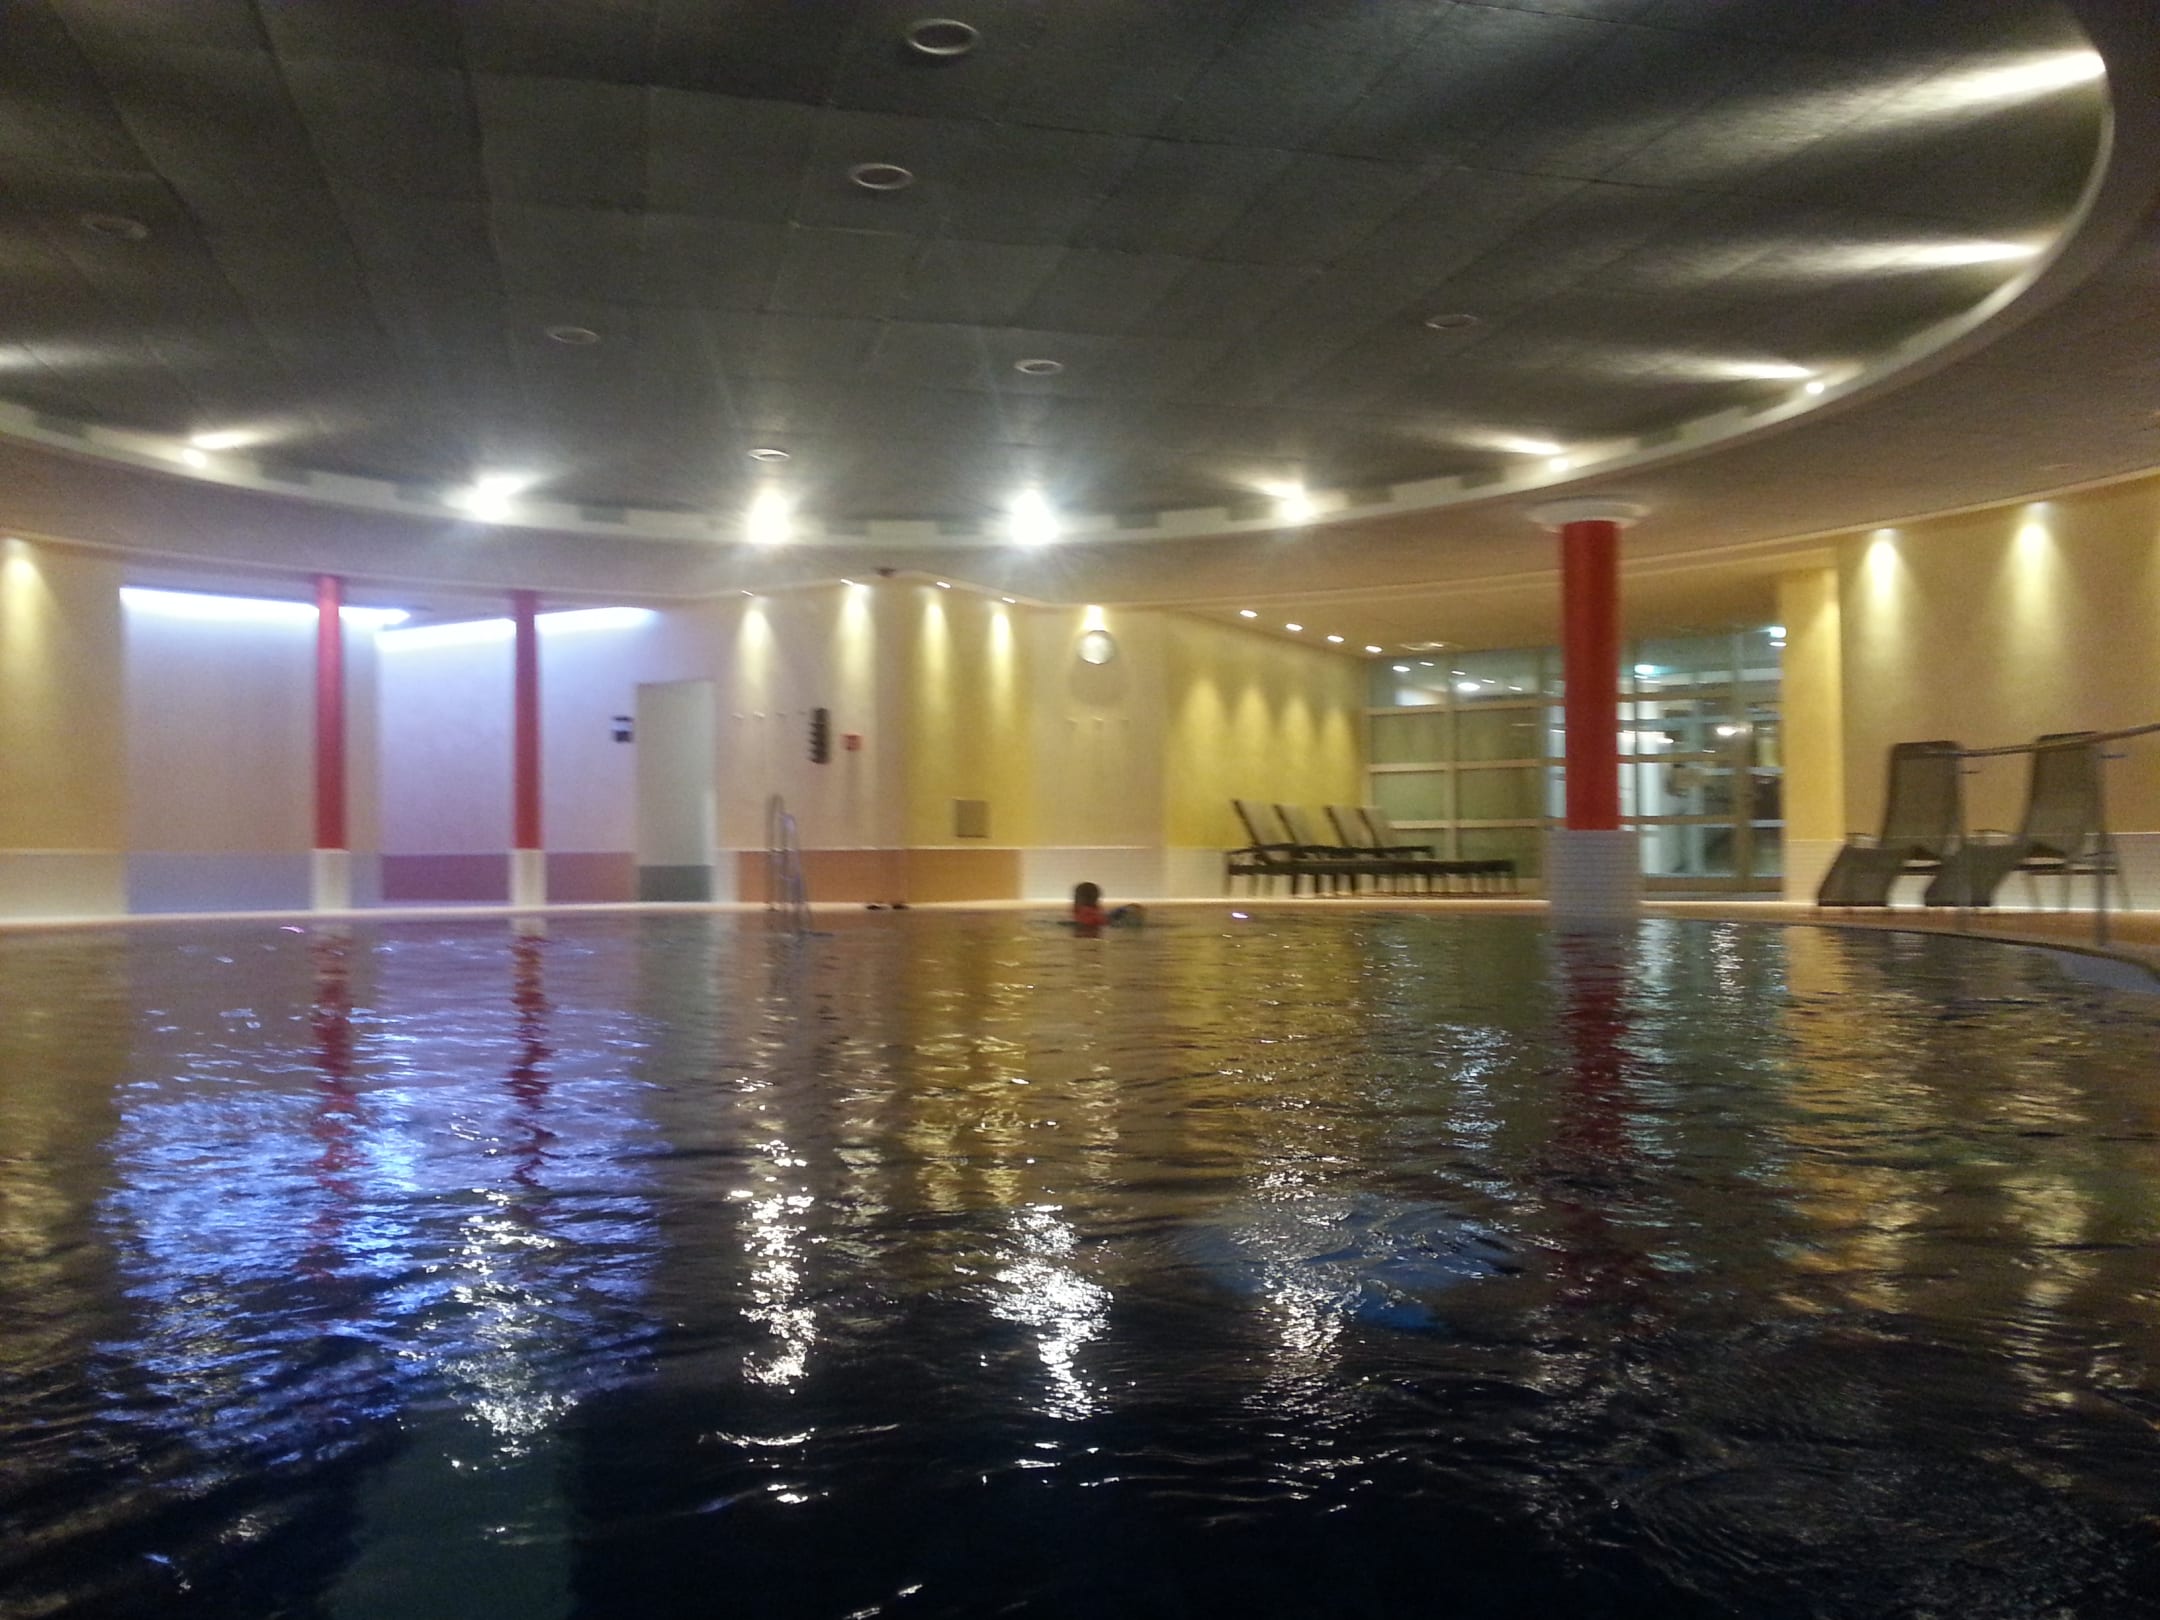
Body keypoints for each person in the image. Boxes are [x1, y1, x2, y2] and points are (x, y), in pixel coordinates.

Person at [1069, 881, 1142, 931]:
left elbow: (1101, 920)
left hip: (1102, 924)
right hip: (1106, 921)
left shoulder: (1084, 913)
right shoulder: (1095, 912)